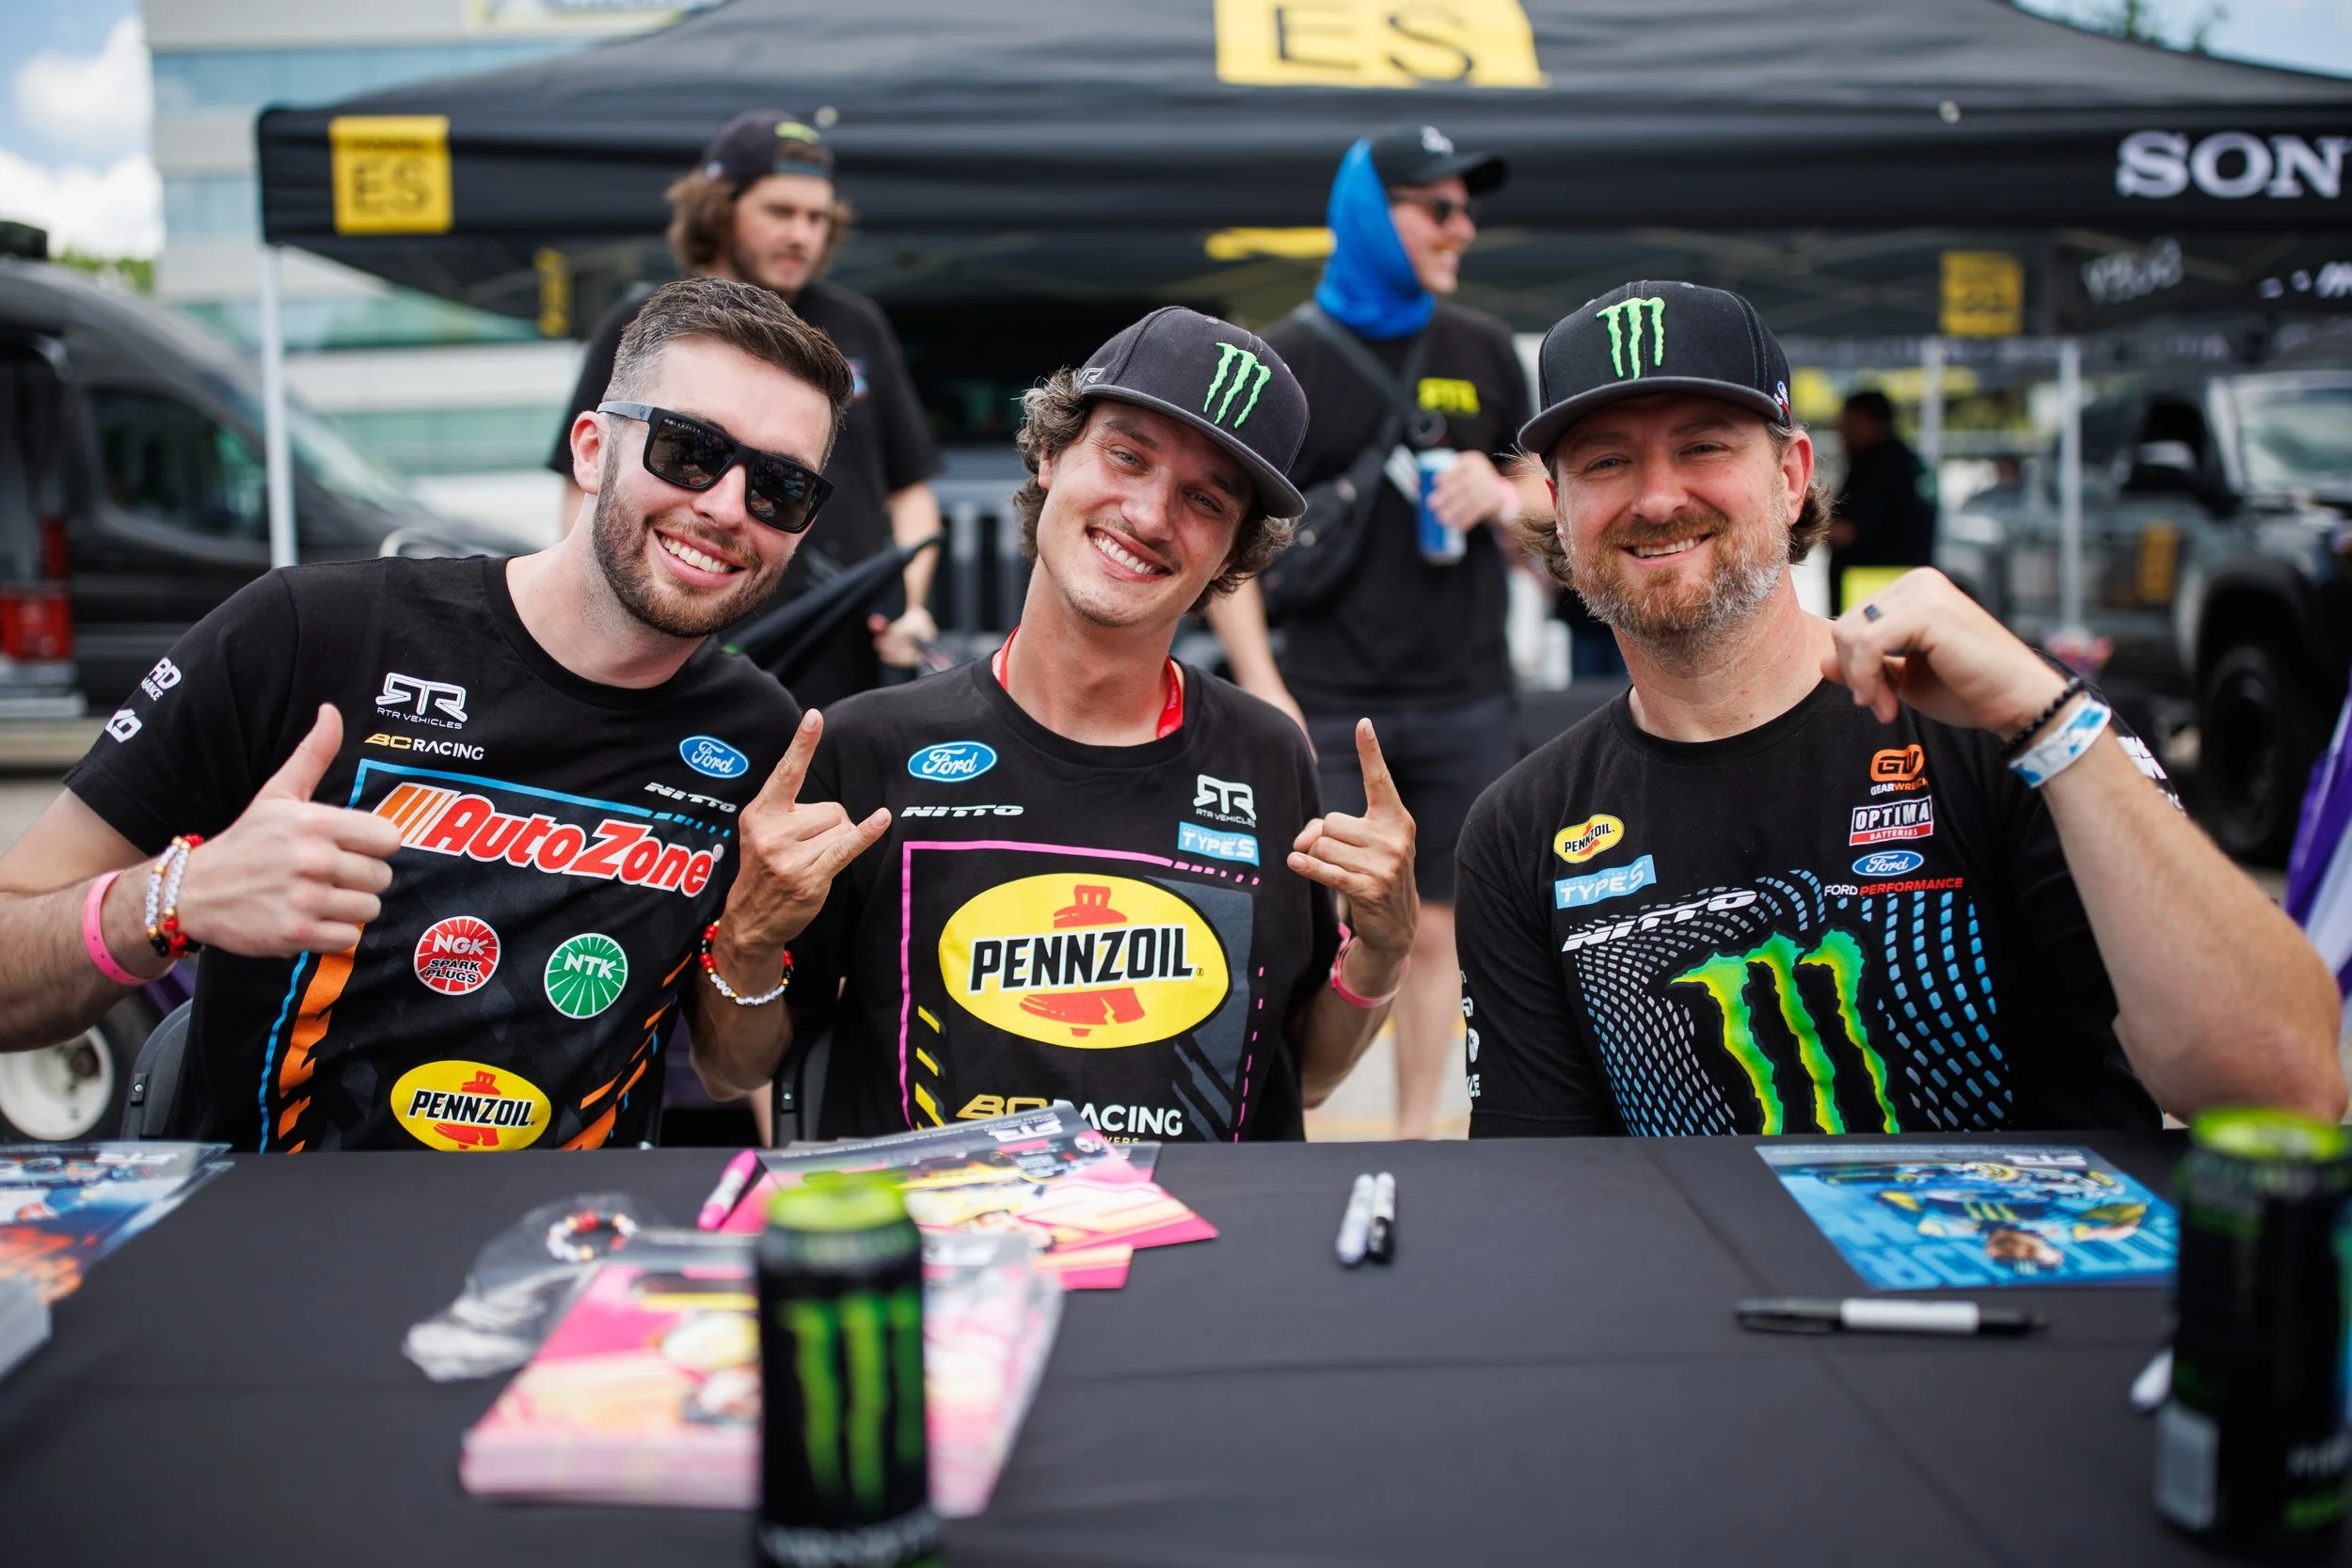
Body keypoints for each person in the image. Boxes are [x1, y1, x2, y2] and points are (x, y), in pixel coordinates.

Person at [1456, 279, 2343, 1137]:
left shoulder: (2003, 730)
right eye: (1607, 460)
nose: (1657, 497)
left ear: (1792, 475)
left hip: (2035, 1283)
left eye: (1705, 446)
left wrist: (2058, 726)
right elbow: (1546, 1192)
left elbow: (2287, 1086)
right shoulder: (1522, 829)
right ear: (1561, 509)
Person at [0, 278, 859, 1151]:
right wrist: (175, 896)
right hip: (259, 1245)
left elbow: (731, 1068)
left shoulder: (757, 734)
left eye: (780, 488)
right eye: (688, 450)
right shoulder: (311, 633)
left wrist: (750, 936)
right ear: (593, 450)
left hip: (555, 1256)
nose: (723, 508)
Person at [691, 308, 1421, 1142]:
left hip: (1202, 1260)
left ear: (1234, 555)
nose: (1148, 516)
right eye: (1126, 455)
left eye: (1204, 499)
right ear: (1049, 453)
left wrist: (1381, 950)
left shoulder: (1265, 756)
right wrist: (745, 935)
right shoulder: (867, 747)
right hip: (951, 1261)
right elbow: (732, 1067)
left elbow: (1304, 1079)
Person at [1204, 123, 1549, 1139]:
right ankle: (1298, 1123)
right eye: (1437, 208)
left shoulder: (1483, 347)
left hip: (1465, 690)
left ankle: (1413, 1137)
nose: (1462, 227)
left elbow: (1546, 509)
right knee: (1324, 923)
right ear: (1371, 215)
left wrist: (1505, 492)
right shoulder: (1292, 358)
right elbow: (1237, 541)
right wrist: (1262, 683)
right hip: (1325, 700)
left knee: (1441, 924)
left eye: (1464, 208)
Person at [547, 110, 942, 710]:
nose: (800, 235)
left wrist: (910, 607)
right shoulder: (650, 324)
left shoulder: (857, 324)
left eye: (817, 218)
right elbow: (585, 487)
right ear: (720, 209)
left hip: (836, 656)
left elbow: (911, 491)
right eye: (780, 212)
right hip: (685, 647)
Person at [1828, 388, 1937, 612]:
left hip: (1871, 596)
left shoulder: (1875, 465)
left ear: (1868, 421)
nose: (1840, 429)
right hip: (1904, 591)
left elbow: (1844, 532)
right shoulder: (1909, 461)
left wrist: (1795, 522)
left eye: (1848, 420)